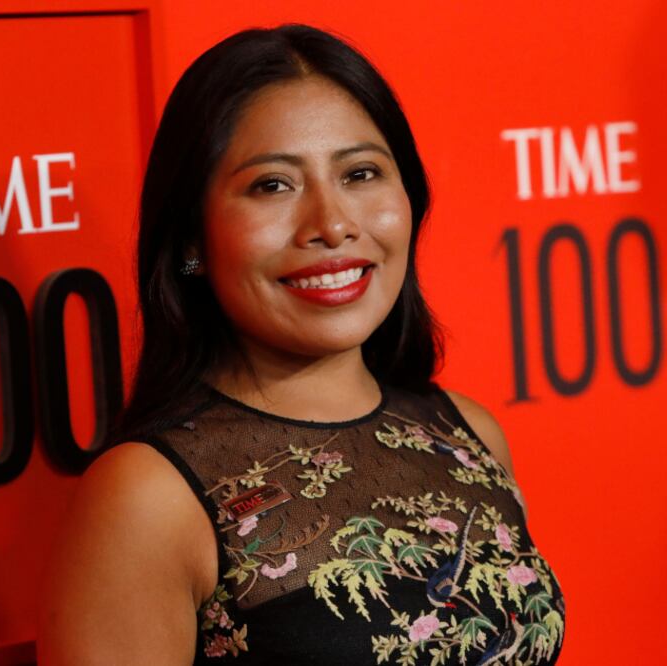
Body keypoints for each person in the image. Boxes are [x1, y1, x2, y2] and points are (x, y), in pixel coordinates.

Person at [38, 23, 566, 665]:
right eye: (273, 185)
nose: (333, 224)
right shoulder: (147, 498)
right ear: (191, 240)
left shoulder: (468, 432)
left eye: (361, 173)